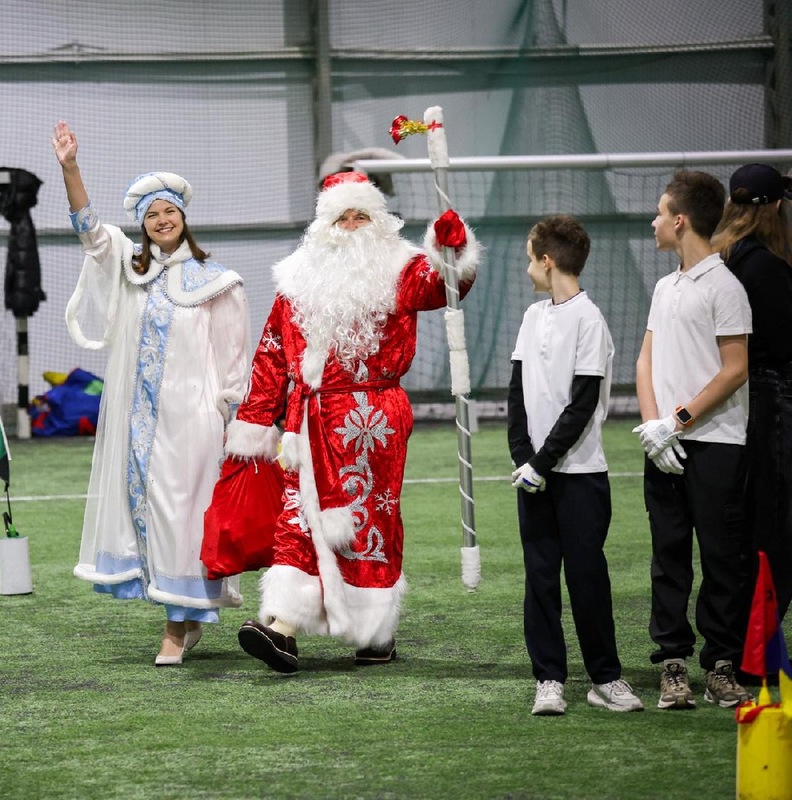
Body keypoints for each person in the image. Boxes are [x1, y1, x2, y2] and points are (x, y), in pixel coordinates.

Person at [224, 171, 479, 673]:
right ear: (325, 224)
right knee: (299, 515)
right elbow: (272, 353)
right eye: (342, 216)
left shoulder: (403, 268)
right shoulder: (297, 277)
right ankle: (283, 627)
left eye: (361, 214)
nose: (351, 224)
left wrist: (451, 249)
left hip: (373, 418)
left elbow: (443, 286)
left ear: (378, 220)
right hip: (310, 421)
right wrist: (256, 419)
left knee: (372, 522)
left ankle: (374, 634)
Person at [50, 121, 251, 666]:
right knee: (154, 516)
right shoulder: (130, 268)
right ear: (143, 224)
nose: (162, 221)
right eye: (152, 216)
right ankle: (182, 617)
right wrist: (70, 167)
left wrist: (235, 421)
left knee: (184, 517)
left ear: (184, 217)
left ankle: (175, 627)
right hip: (140, 422)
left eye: (170, 212)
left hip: (195, 422)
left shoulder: (217, 281)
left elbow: (235, 361)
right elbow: (90, 232)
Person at [508, 215, 642, 715]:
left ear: (548, 261)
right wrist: (524, 459)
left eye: (529, 258)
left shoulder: (591, 319)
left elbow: (582, 404)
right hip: (535, 476)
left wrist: (543, 462)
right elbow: (516, 394)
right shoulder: (531, 317)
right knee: (539, 576)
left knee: (587, 576)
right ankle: (549, 679)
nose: (527, 268)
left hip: (581, 475)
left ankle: (605, 678)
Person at [634, 170, 752, 710]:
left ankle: (722, 665)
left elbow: (735, 370)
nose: (654, 221)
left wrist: (675, 420)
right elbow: (646, 361)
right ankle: (672, 664)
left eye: (660, 212)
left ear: (679, 221)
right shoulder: (664, 287)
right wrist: (654, 429)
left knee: (722, 557)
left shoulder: (726, 286)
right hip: (665, 444)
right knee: (668, 556)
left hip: (717, 443)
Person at [714, 163, 792, 628]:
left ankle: (741, 644)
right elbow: (784, 345)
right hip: (774, 402)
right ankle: (757, 651)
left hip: (741, 404)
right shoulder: (764, 265)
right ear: (776, 208)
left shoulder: (724, 260)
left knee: (750, 527)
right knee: (777, 530)